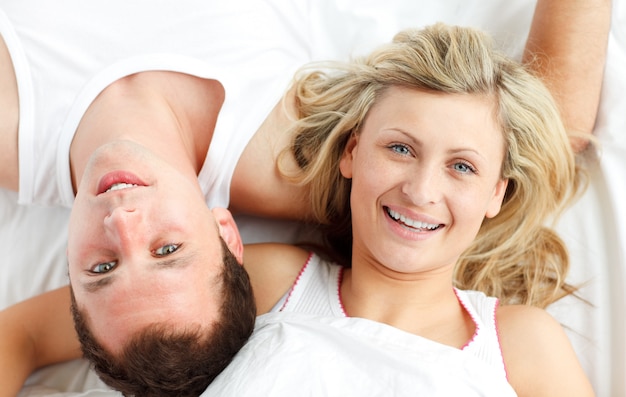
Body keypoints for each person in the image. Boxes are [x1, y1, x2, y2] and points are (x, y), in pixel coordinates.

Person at [0, 1, 610, 396]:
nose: (126, 223)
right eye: (399, 151)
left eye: (106, 266)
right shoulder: (283, 270)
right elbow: (542, 129)